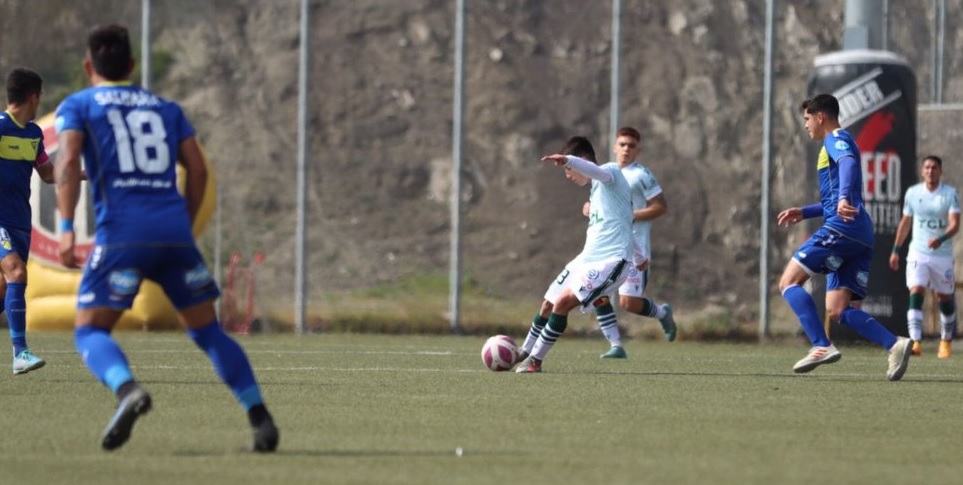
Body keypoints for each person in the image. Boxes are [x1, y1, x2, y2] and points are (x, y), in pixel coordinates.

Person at [54, 24, 278, 452]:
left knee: (90, 331)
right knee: (208, 331)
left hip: (123, 235)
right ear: (132, 65)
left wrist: (65, 229)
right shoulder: (165, 108)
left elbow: (66, 163)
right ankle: (260, 418)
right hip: (174, 234)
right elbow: (198, 169)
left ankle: (127, 390)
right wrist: (184, 226)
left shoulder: (79, 104)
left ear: (87, 66)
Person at [776, 93, 912, 381]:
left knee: (788, 282)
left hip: (843, 228)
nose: (806, 125)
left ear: (820, 117)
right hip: (859, 233)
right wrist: (805, 211)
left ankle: (820, 344)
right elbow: (836, 194)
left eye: (807, 119)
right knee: (838, 309)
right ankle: (894, 344)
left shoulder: (835, 138)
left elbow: (848, 164)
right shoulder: (837, 142)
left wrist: (841, 199)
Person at [515, 136, 644, 373]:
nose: (568, 175)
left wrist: (567, 160)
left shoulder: (610, 172)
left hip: (611, 261)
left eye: (568, 170)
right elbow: (625, 223)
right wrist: (641, 257)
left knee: (562, 304)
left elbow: (594, 170)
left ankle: (535, 360)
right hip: (586, 260)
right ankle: (524, 351)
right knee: (548, 303)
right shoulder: (597, 192)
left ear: (582, 161)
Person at [598, 127, 676, 359]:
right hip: (607, 245)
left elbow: (660, 206)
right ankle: (616, 345)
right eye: (622, 144)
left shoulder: (641, 175)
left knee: (629, 303)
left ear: (638, 150)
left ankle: (663, 314)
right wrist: (589, 208)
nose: (626, 149)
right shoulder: (606, 173)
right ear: (614, 147)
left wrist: (629, 216)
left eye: (631, 146)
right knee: (596, 292)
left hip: (635, 248)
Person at [0, 67, 55, 375]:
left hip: (20, 223)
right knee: (17, 272)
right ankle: (20, 353)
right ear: (34, 97)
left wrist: (86, 174)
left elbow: (48, 174)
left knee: (4, 289)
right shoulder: (0, 126)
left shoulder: (34, 134)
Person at [888, 155, 959, 358]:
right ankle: (915, 341)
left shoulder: (950, 194)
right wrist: (896, 250)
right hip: (918, 252)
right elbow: (905, 223)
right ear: (922, 171)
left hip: (942, 255)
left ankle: (945, 340)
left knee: (944, 297)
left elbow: (955, 224)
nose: (930, 171)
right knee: (916, 291)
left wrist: (941, 239)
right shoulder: (913, 193)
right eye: (927, 167)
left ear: (940, 171)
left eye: (934, 167)